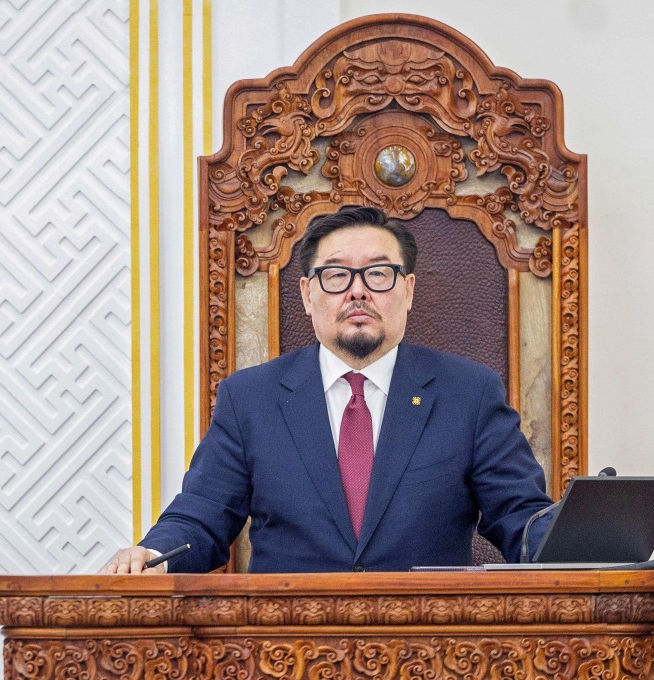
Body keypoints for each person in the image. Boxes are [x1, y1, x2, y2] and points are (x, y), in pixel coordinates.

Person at [101, 206, 554, 574]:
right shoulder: (250, 399)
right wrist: (152, 557)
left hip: (426, 643)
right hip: (284, 646)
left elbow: (521, 518)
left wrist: (582, 539)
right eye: (337, 276)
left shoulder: (469, 394)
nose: (358, 292)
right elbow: (201, 515)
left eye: (379, 274)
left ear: (409, 290)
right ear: (306, 293)